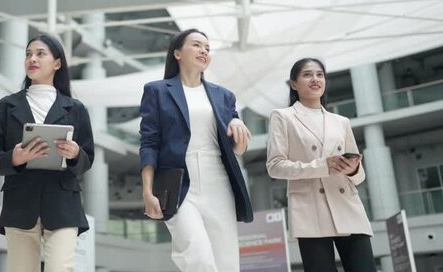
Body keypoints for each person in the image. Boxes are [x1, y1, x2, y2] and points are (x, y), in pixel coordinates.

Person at [139, 29, 253, 272]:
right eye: (197, 45)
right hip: (177, 182)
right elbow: (149, 143)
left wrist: (238, 125)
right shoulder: (157, 91)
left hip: (219, 180)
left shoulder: (224, 96)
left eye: (207, 48)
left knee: (227, 264)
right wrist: (148, 191)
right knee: (197, 258)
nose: (204, 51)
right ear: (177, 53)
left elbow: (238, 149)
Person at [0, 34, 94, 272]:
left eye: (40, 53)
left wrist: (74, 154)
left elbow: (87, 160)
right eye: (28, 54)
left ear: (57, 63)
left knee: (60, 269)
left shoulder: (76, 109)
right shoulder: (3, 107)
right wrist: (14, 158)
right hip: (20, 202)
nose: (32, 58)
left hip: (63, 202)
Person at [266, 58, 375, 272]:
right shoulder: (282, 117)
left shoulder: (341, 121)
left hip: (347, 204)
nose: (315, 79)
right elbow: (275, 166)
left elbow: (359, 176)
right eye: (307, 74)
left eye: (319, 74)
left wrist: (351, 168)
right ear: (294, 84)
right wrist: (322, 166)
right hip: (309, 209)